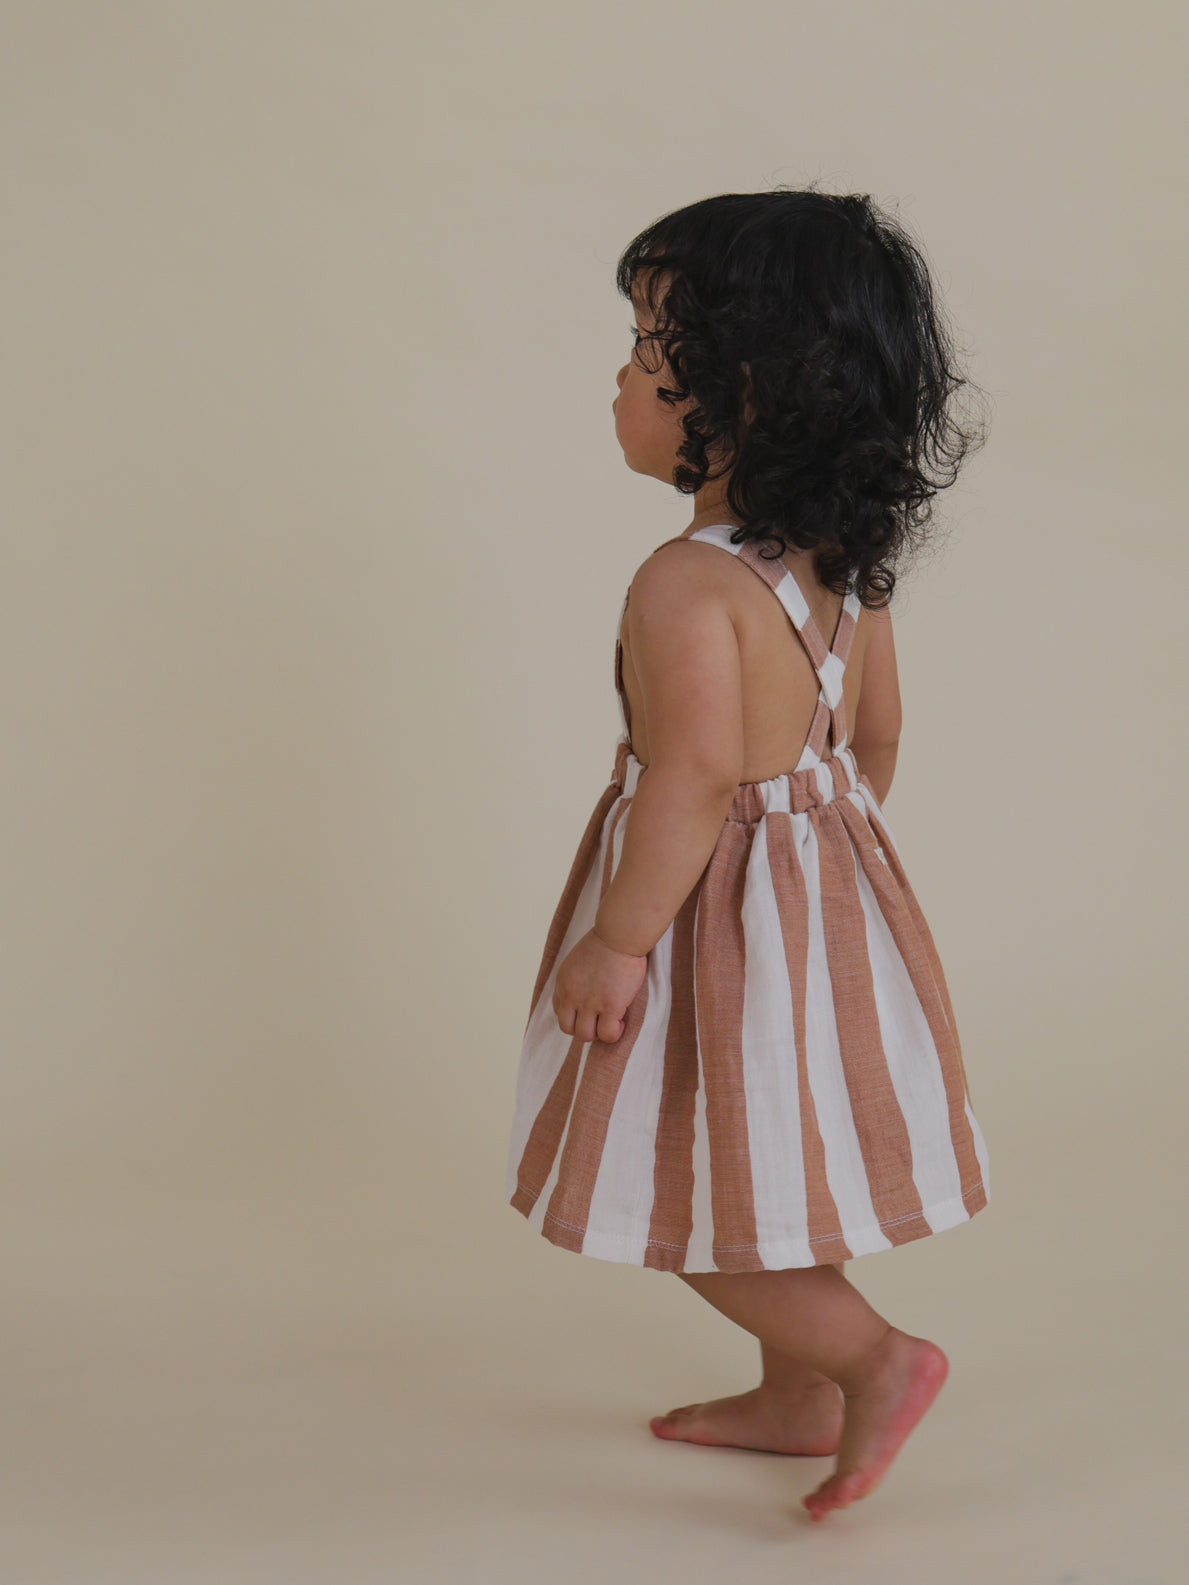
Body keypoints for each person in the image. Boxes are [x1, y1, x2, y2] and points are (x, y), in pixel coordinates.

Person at [504, 187, 992, 1522]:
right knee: (775, 1150)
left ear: (743, 393)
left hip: (697, 908)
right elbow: (875, 734)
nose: (620, 367)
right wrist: (817, 863)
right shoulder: (838, 563)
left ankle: (872, 1359)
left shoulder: (682, 585)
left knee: (675, 1178)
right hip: (825, 891)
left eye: (650, 343)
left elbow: (692, 772)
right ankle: (793, 1394)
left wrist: (619, 937)